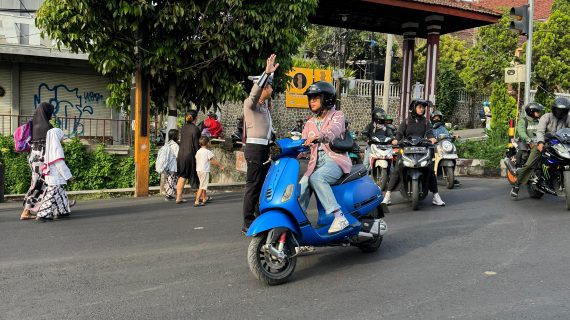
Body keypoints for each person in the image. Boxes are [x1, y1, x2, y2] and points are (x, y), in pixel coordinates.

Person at [299, 81, 353, 233]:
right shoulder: (309, 122)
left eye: (316, 98)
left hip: (334, 160)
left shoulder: (337, 115)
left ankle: (339, 217)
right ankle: (301, 231)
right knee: (300, 189)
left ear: (327, 99)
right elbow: (303, 144)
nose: (312, 101)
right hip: (314, 164)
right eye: (310, 98)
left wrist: (320, 136)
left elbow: (333, 130)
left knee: (317, 178)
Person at [382, 99, 446, 206]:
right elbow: (399, 133)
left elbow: (429, 133)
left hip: (422, 148)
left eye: (423, 107)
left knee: (430, 170)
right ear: (413, 108)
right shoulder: (406, 121)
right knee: (397, 169)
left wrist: (432, 138)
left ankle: (436, 196)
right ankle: (387, 196)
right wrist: (396, 140)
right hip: (406, 148)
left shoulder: (426, 122)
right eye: (419, 107)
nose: (422, 109)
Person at [241, 54, 279, 233]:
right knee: (253, 185)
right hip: (255, 149)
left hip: (263, 149)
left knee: (263, 184)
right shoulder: (251, 104)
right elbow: (254, 93)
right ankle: (248, 221)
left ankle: (258, 216)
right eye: (268, 85)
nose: (271, 88)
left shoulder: (264, 107)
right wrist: (266, 73)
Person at [511, 97, 570, 197]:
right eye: (558, 110)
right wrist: (540, 142)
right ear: (554, 109)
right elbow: (540, 131)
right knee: (530, 164)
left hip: (560, 143)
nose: (560, 112)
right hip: (544, 143)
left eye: (563, 110)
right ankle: (516, 186)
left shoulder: (567, 118)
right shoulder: (546, 117)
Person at [21, 102, 55, 220]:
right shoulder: (48, 127)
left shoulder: (34, 125)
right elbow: (53, 145)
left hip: (33, 158)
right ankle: (26, 211)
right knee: (39, 184)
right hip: (41, 158)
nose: (52, 115)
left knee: (38, 183)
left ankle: (54, 206)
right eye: (51, 112)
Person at [35, 128, 72, 222]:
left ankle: (61, 212)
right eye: (61, 136)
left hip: (51, 176)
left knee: (60, 193)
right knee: (51, 195)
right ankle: (41, 215)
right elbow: (60, 164)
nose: (62, 139)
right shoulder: (56, 148)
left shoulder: (49, 148)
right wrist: (69, 176)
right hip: (55, 177)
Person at [176, 110, 201, 203]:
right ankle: (201, 197)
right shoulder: (195, 129)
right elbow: (196, 145)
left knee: (182, 176)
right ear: (196, 117)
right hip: (191, 155)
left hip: (181, 154)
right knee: (196, 175)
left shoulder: (183, 128)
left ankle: (178, 197)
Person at [194, 136, 225, 207]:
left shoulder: (198, 151)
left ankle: (204, 199)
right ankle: (197, 201)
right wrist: (220, 165)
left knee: (203, 184)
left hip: (198, 170)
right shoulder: (208, 152)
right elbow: (212, 161)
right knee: (202, 186)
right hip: (204, 170)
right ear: (208, 143)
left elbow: (196, 159)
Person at [362, 107, 396, 172]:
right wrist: (367, 139)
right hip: (372, 146)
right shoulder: (370, 126)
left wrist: (392, 138)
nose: (382, 118)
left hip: (385, 147)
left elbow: (390, 134)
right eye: (380, 116)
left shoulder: (386, 126)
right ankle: (364, 178)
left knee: (391, 163)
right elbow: (365, 133)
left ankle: (392, 178)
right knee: (365, 163)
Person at [163, 129, 180, 201]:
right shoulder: (175, 145)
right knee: (171, 179)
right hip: (173, 165)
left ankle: (169, 193)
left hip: (167, 164)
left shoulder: (167, 143)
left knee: (168, 179)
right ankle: (169, 195)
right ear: (175, 136)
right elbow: (177, 155)